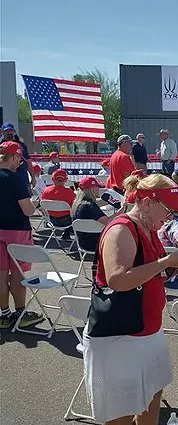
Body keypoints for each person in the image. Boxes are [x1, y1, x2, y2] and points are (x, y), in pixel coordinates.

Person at [83, 173, 178, 425]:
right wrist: (166, 261)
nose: (171, 218)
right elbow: (118, 280)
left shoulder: (148, 227)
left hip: (146, 332)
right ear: (147, 203)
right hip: (120, 338)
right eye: (168, 211)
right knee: (120, 413)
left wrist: (171, 270)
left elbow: (146, 274)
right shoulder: (122, 228)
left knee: (152, 396)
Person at [0, 141, 43, 330]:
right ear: (15, 157)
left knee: (0, 274)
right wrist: (36, 203)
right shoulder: (14, 178)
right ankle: (20, 313)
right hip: (17, 230)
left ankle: (4, 314)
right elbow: (27, 210)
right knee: (17, 274)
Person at [72, 177, 114, 254]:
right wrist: (121, 211)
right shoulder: (91, 206)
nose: (99, 189)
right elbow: (109, 222)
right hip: (97, 244)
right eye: (97, 187)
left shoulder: (77, 204)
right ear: (92, 189)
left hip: (82, 243)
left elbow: (96, 204)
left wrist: (109, 201)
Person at [41, 168, 76, 240]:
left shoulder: (46, 190)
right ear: (65, 180)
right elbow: (75, 206)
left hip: (51, 220)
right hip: (67, 221)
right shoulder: (69, 192)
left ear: (53, 179)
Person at [1, 123, 35, 191]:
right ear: (2, 132)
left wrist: (33, 177)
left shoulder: (21, 145)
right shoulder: (1, 146)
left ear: (14, 132)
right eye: (7, 131)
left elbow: (28, 161)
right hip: (4, 179)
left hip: (21, 177)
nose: (9, 133)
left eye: (11, 130)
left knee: (24, 198)